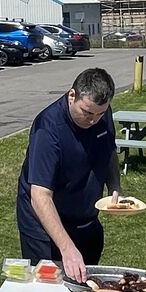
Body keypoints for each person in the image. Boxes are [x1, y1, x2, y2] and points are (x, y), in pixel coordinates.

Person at [16, 67, 120, 280]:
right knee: (49, 286)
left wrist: (115, 187)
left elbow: (109, 150)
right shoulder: (48, 128)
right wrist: (67, 248)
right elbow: (40, 196)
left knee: (85, 284)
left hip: (86, 218)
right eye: (87, 112)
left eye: (100, 114)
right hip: (44, 226)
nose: (93, 120)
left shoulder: (100, 111)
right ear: (72, 95)